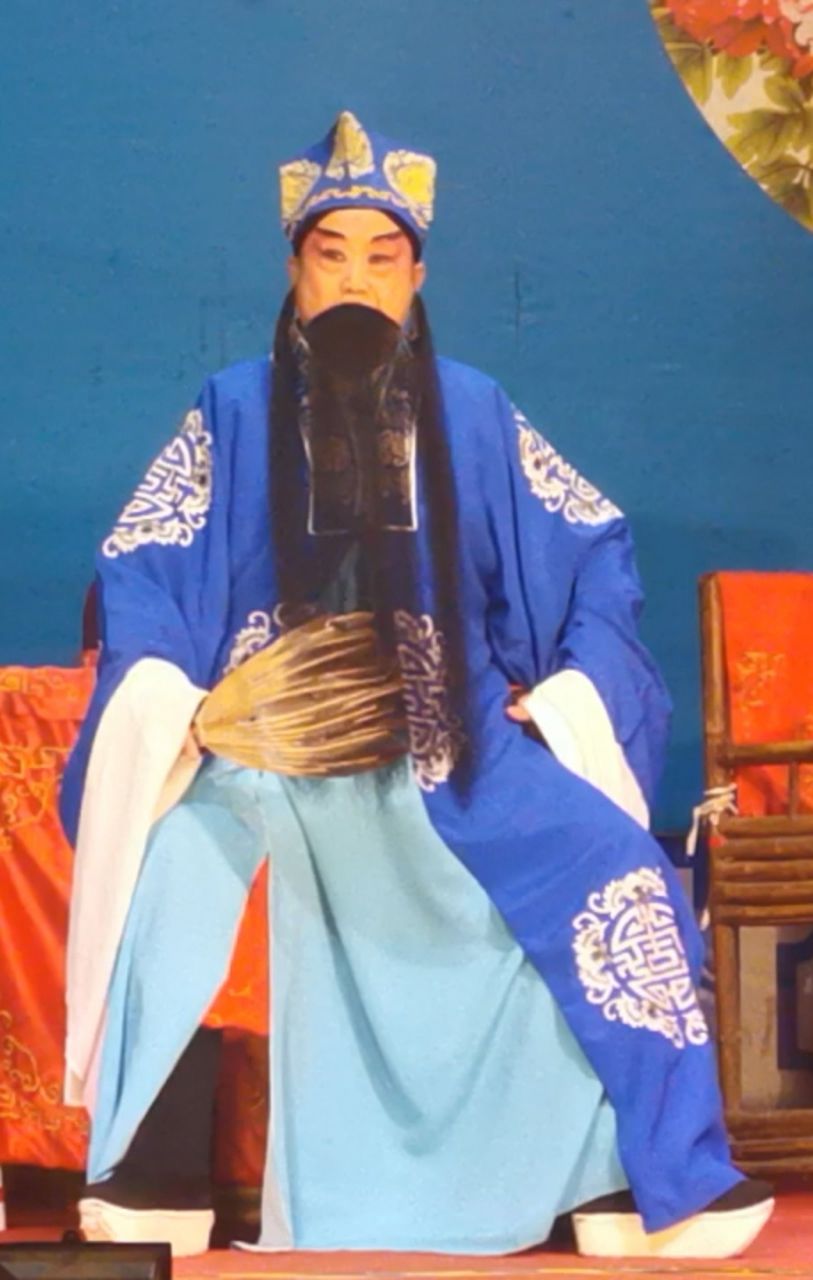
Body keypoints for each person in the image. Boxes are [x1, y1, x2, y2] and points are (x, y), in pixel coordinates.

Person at [60, 111, 773, 1260]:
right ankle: (155, 1170)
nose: (356, 277)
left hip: (454, 749)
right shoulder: (230, 412)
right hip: (270, 752)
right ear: (293, 268)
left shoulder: (476, 412)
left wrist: (567, 694)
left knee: (617, 866)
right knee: (177, 859)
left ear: (418, 275)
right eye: (330, 252)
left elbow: (595, 547)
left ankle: (631, 1184)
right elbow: (141, 564)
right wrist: (184, 709)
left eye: (381, 256)